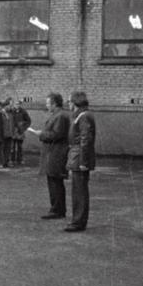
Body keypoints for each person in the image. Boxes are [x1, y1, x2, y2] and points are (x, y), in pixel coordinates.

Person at [28, 92, 70, 220]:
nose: (46, 106)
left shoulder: (60, 116)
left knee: (55, 182)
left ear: (54, 104)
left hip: (55, 153)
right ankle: (57, 208)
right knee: (54, 182)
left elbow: (56, 135)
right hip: (53, 152)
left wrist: (41, 134)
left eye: (48, 103)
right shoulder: (58, 115)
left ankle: (57, 210)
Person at [64, 91, 96, 232]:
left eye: (70, 101)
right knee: (78, 190)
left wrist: (83, 161)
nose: (68, 104)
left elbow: (85, 140)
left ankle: (78, 222)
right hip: (77, 156)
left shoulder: (83, 116)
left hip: (79, 158)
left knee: (79, 192)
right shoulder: (82, 115)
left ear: (76, 102)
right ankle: (77, 220)